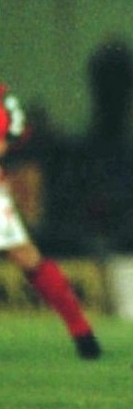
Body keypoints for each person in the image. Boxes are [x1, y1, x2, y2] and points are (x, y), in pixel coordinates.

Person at [0, 82, 101, 359]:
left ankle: (82, 331)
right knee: (26, 256)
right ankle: (83, 334)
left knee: (26, 256)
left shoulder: (4, 100)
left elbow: (12, 133)